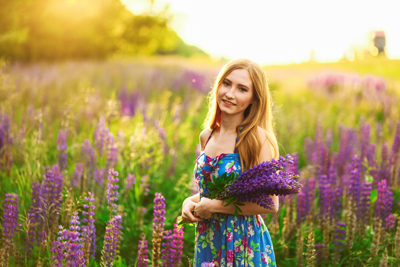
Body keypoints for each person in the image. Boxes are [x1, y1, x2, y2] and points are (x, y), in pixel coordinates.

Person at [181, 58, 279, 266]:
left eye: (242, 89)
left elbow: (270, 203)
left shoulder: (256, 139)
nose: (230, 94)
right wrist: (191, 202)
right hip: (209, 240)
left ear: (254, 98)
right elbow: (218, 190)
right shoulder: (206, 136)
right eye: (226, 83)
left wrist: (214, 206)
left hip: (244, 244)